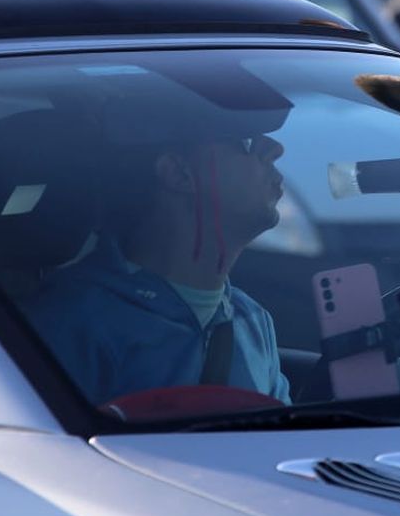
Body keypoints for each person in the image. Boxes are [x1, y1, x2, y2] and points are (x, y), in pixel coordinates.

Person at [25, 99, 293, 411]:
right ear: (178, 174)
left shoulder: (252, 319)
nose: (274, 149)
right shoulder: (72, 322)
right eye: (246, 141)